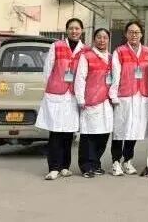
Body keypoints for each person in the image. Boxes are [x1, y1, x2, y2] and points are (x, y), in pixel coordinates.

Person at [36, 18, 86, 181]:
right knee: (56, 132)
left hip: (72, 95)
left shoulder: (84, 49)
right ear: (66, 30)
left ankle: (65, 166)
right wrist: (51, 87)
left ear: (82, 31)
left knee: (68, 132)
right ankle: (54, 168)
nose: (74, 31)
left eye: (77, 28)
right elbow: (47, 69)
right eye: (71, 28)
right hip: (56, 94)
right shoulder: (56, 46)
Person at [109, 21, 148, 176]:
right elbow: (115, 74)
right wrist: (113, 95)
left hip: (141, 96)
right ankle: (115, 161)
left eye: (137, 32)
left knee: (134, 129)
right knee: (120, 128)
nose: (134, 35)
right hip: (125, 95)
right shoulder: (119, 51)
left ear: (141, 34)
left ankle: (128, 160)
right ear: (126, 34)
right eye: (131, 32)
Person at [75, 28, 114, 178]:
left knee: (103, 134)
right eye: (99, 37)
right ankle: (86, 166)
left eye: (105, 37)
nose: (102, 40)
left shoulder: (111, 57)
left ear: (108, 40)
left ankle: (96, 163)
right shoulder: (87, 56)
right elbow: (80, 78)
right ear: (94, 39)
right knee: (89, 135)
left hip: (106, 101)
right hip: (91, 100)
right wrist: (80, 98)